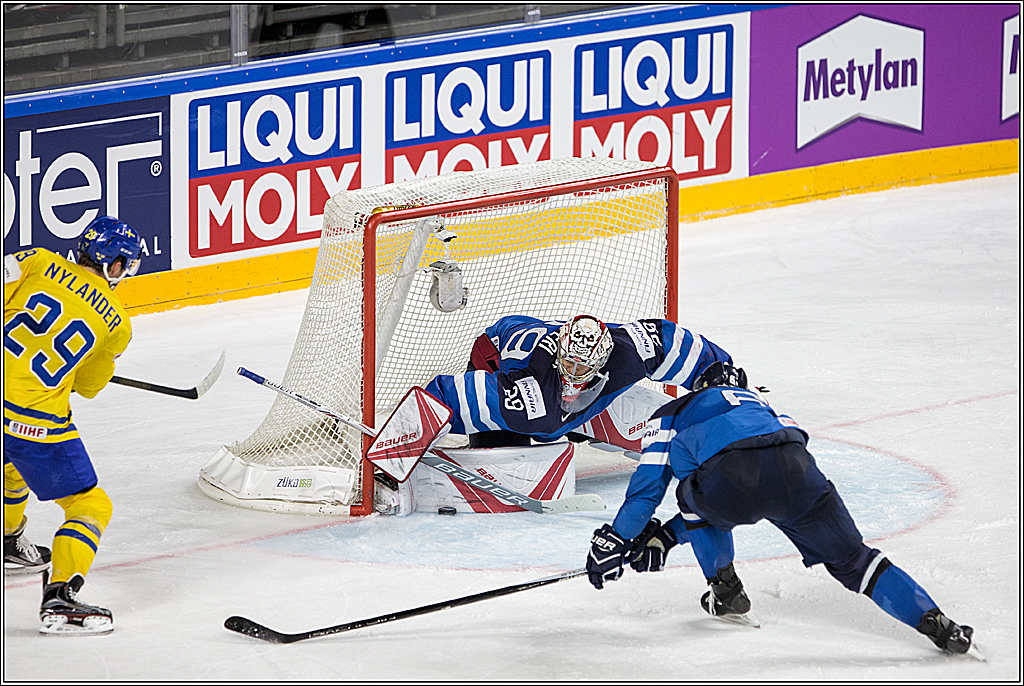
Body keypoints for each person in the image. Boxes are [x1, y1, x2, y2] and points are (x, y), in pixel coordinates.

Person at [586, 361, 980, 657]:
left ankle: (725, 590)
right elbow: (784, 457)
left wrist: (622, 539)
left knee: (691, 496)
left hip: (727, 479)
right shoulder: (764, 405)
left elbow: (645, 493)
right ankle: (941, 626)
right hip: (798, 472)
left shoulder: (672, 411)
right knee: (856, 561)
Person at [421, 313, 741, 578]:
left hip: (567, 392)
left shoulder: (628, 351)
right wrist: (416, 427)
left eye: (583, 367)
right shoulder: (529, 395)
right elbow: (449, 395)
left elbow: (669, 341)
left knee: (668, 428)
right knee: (513, 456)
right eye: (569, 364)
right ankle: (573, 423)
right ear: (560, 354)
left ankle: (582, 422)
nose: (573, 373)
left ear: (602, 361)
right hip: (498, 357)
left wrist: (717, 372)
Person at [4, 215, 142, 635]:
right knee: (91, 505)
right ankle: (61, 597)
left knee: (10, 467)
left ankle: (8, 539)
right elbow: (88, 387)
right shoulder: (116, 325)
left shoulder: (35, 259)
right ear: (115, 266)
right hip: (32, 423)